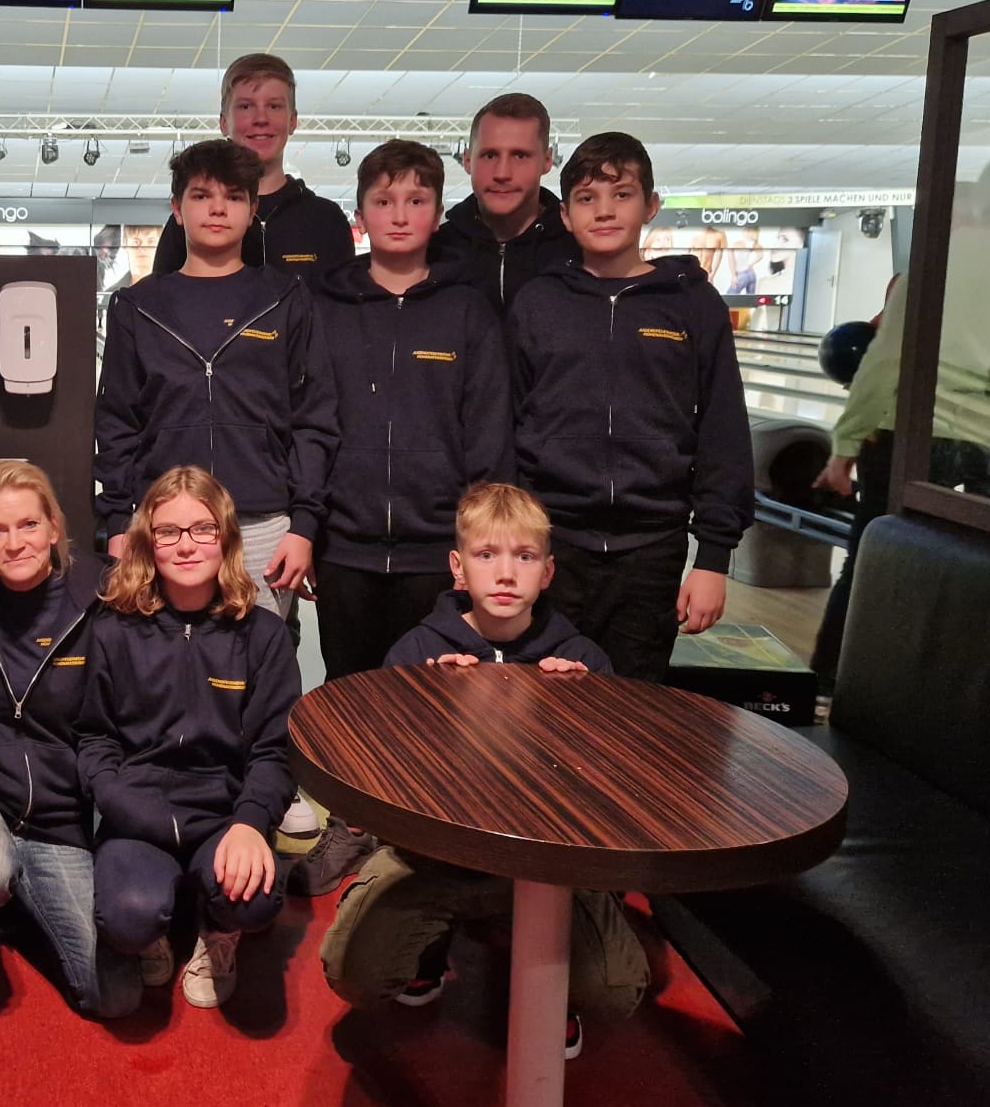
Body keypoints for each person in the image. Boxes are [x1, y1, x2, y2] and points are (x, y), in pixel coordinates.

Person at [319, 482, 647, 1059]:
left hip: (547, 868)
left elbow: (608, 779)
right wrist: (427, 700)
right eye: (486, 555)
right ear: (457, 566)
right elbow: (382, 761)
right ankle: (428, 951)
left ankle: (551, 982)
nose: (504, 574)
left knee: (615, 990)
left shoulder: (581, 660)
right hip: (436, 857)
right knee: (355, 973)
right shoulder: (419, 650)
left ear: (546, 572)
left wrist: (582, 707)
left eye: (523, 557)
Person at [292, 142, 512, 897]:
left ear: (435, 213)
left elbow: (489, 435)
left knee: (435, 707)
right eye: (384, 202)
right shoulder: (324, 306)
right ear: (361, 216)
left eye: (416, 201)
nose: (399, 215)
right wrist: (311, 526)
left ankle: (420, 842)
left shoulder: (466, 308)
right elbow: (310, 421)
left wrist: (475, 547)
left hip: (434, 551)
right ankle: (352, 827)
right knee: (353, 700)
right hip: (348, 544)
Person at [811, 150, 990, 687]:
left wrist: (845, 450)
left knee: (873, 562)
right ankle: (973, 697)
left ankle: (830, 685)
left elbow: (883, 363)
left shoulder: (938, 268)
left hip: (915, 433)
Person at [506, 131, 752, 683]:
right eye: (587, 199)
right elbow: (510, 424)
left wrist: (712, 558)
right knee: (543, 702)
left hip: (652, 549)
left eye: (622, 194)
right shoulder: (539, 302)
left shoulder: (693, 304)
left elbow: (723, 432)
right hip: (552, 544)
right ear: (565, 215)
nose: (605, 211)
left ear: (651, 205)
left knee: (633, 710)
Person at [0, 460, 141, 1019]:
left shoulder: (104, 593)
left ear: (54, 527)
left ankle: (7, 906)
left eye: (28, 526)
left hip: (58, 818)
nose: (15, 544)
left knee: (115, 999)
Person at [77, 466, 299, 1010]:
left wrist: (251, 821)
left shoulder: (263, 634)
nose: (186, 545)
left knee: (256, 901)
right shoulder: (112, 628)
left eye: (202, 529)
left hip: (222, 813)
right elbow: (94, 739)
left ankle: (218, 931)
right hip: (138, 811)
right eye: (168, 531)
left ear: (224, 536)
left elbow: (276, 748)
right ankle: (154, 924)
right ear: (147, 543)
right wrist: (122, 804)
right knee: (126, 917)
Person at [96, 138, 337, 618]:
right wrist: (119, 524)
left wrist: (304, 526)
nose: (218, 209)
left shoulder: (286, 299)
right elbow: (117, 424)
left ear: (251, 210)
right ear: (177, 210)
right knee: (161, 665)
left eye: (233, 197)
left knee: (262, 672)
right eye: (202, 196)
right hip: (163, 524)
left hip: (264, 523)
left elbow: (314, 419)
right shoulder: (139, 307)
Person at [150, 54, 354, 284]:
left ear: (293, 121)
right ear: (224, 122)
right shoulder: (191, 222)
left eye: (274, 106)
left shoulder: (326, 220)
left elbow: (342, 313)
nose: (261, 119)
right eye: (246, 106)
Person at [431, 92, 579, 313]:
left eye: (520, 156)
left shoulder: (579, 251)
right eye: (490, 155)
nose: (502, 173)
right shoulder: (434, 251)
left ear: (547, 161)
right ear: (467, 160)